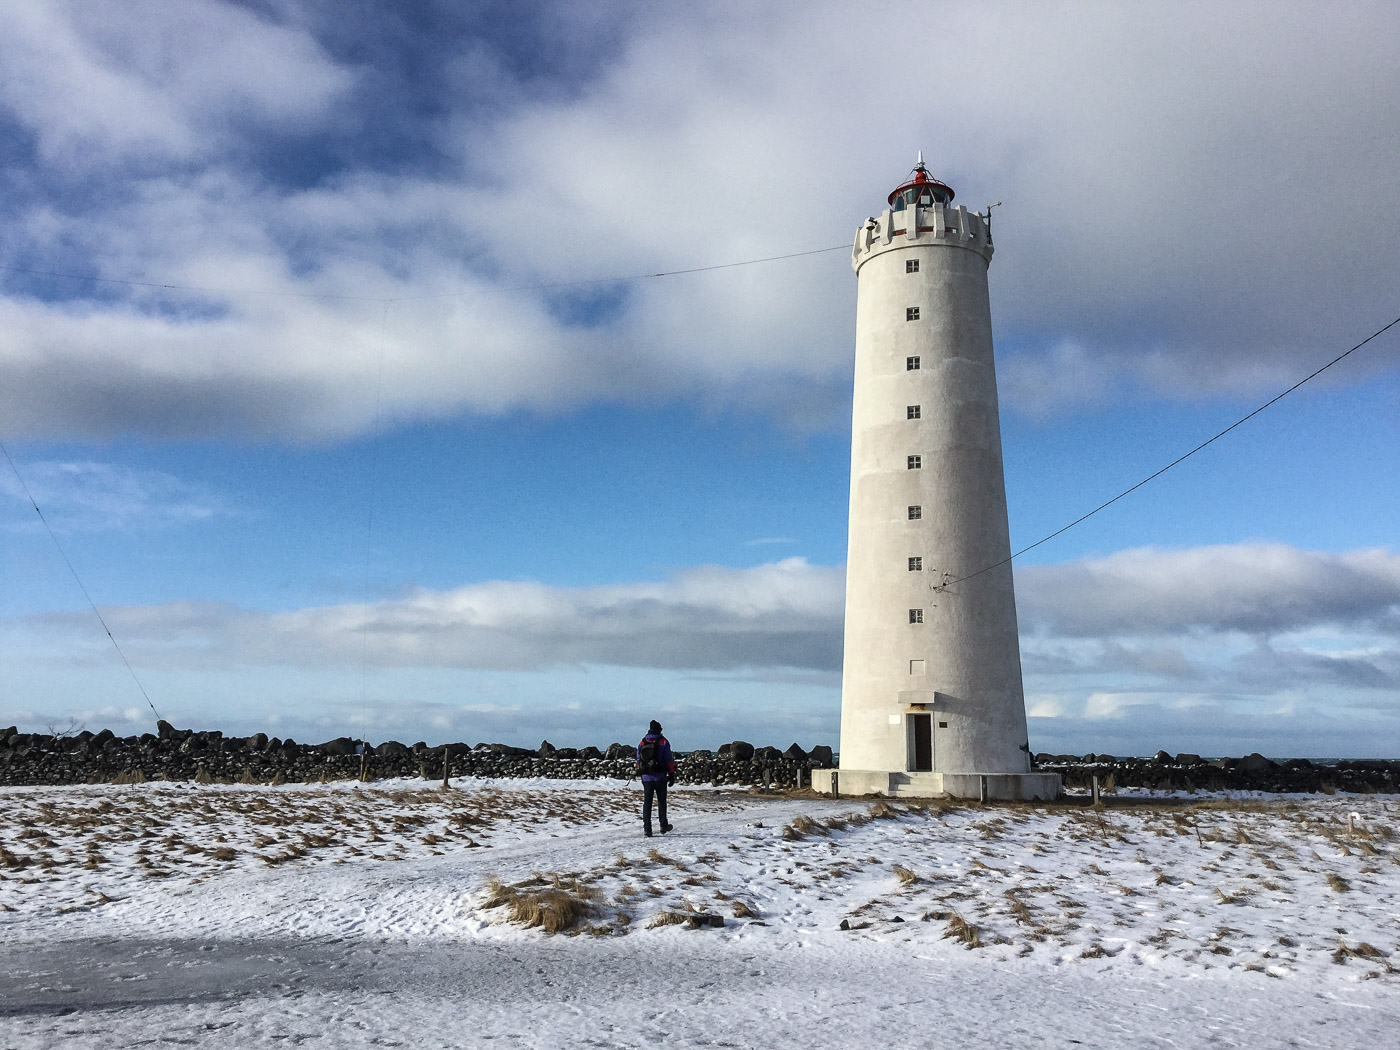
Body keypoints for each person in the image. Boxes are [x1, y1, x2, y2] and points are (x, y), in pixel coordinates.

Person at [636, 719, 675, 837]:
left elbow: (638, 758)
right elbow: (669, 759)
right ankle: (663, 825)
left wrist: (640, 772)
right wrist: (672, 774)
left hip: (646, 777)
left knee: (647, 803)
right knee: (661, 802)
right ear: (659, 729)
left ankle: (647, 829)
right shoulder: (663, 742)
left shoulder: (642, 742)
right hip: (660, 777)